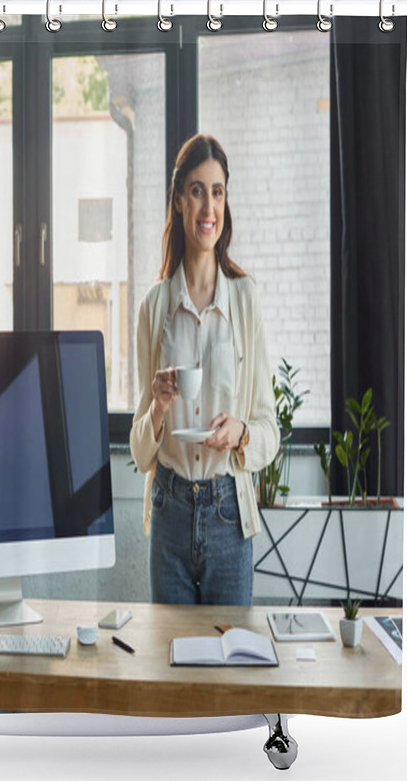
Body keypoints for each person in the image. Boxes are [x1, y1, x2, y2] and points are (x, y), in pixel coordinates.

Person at [130, 134, 279, 606]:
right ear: (178, 200)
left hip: (228, 514)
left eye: (217, 191)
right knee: (170, 667)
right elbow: (139, 453)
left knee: (230, 668)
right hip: (169, 512)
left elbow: (269, 431)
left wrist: (239, 433)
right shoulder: (154, 308)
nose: (207, 206)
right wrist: (158, 407)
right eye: (197, 191)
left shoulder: (245, 299)